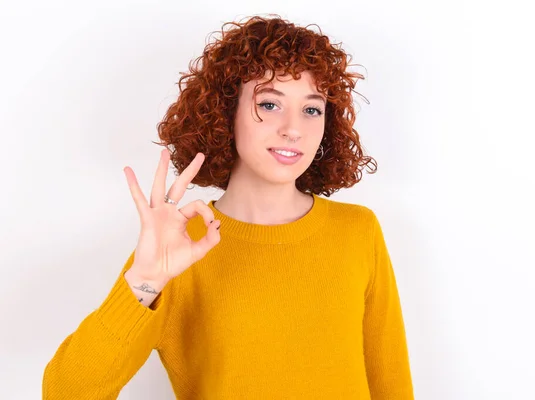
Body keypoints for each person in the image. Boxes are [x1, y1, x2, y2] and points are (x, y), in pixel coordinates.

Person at [42, 14, 414, 399]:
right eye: (269, 104)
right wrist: (144, 280)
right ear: (225, 113)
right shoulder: (181, 248)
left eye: (311, 109)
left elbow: (392, 387)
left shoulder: (357, 230)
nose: (293, 128)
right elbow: (66, 391)